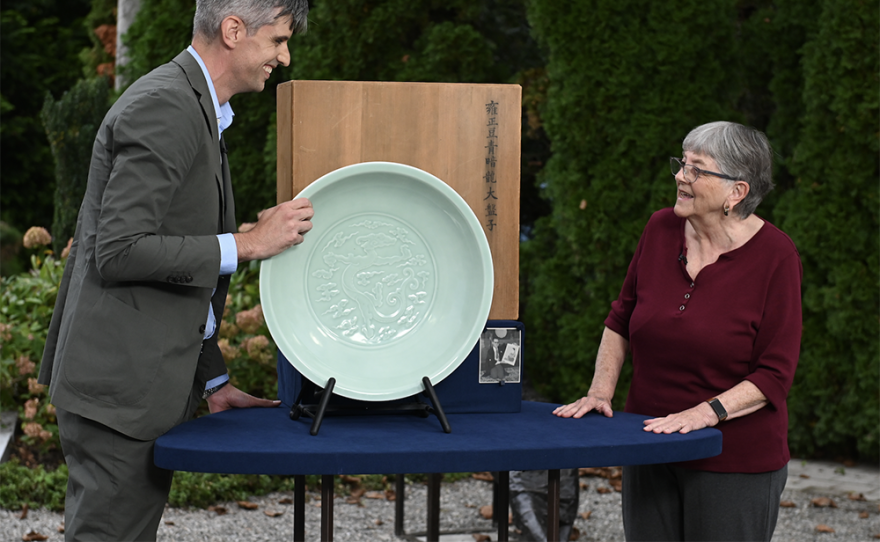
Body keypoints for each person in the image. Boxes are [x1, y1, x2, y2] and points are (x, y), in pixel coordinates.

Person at [37, 1, 311, 540]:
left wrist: (211, 378)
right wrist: (248, 243)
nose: (285, 55)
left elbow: (174, 276)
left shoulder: (196, 106)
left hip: (131, 391)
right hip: (117, 397)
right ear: (234, 31)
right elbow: (119, 250)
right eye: (278, 40)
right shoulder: (166, 106)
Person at [553, 121, 802, 542]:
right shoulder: (660, 228)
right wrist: (599, 393)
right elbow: (620, 320)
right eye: (682, 164)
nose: (680, 177)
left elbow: (774, 375)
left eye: (696, 169)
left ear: (736, 192)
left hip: (732, 457)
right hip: (648, 443)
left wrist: (703, 415)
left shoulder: (776, 255)